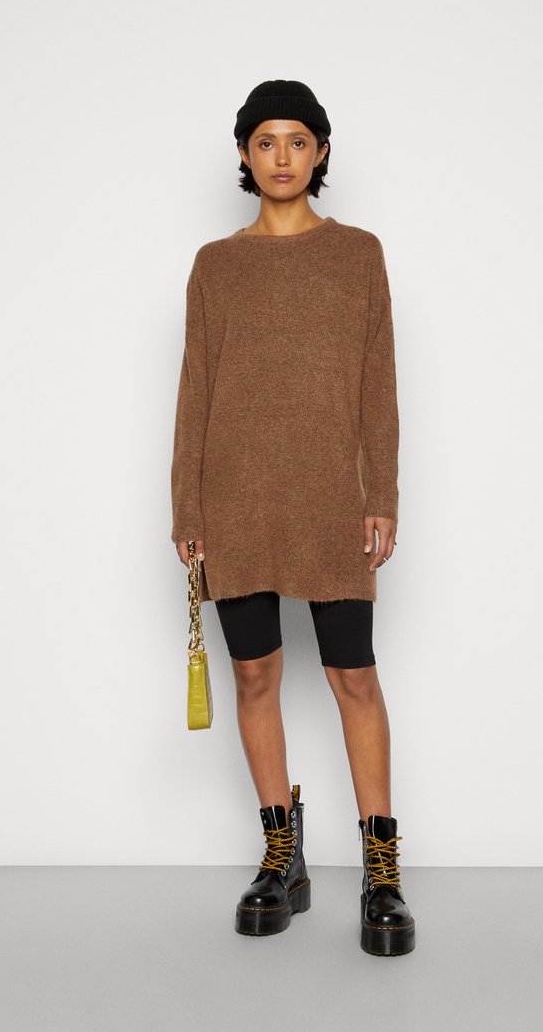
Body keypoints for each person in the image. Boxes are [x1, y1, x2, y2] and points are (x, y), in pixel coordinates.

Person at [170, 80, 415, 956]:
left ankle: (381, 867)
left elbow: (378, 382)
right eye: (265, 141)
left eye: (298, 140)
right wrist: (187, 503)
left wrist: (382, 493)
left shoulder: (358, 255)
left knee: (354, 676)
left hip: (329, 498)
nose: (282, 157)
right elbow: (195, 388)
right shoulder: (215, 265)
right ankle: (284, 856)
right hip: (236, 495)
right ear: (244, 154)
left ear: (320, 152)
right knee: (254, 676)